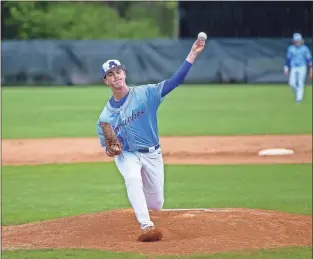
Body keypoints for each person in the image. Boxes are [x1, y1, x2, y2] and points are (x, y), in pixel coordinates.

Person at [96, 37, 206, 242]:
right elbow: (107, 148)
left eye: (118, 71)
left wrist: (192, 54)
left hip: (152, 153)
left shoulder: (146, 94)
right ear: (106, 81)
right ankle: (146, 226)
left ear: (124, 74)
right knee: (132, 178)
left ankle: (144, 207)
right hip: (128, 154)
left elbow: (175, 82)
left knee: (156, 203)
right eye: (110, 74)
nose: (115, 76)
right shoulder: (105, 118)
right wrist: (112, 150)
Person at [284, 33, 312, 103]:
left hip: (302, 67)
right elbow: (288, 59)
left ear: (301, 40)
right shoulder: (291, 48)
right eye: (296, 40)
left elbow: (309, 59)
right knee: (292, 83)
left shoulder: (305, 49)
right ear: (294, 41)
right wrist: (286, 67)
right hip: (293, 67)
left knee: (300, 82)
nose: (297, 42)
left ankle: (299, 99)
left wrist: (311, 69)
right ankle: (298, 94)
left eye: (298, 40)